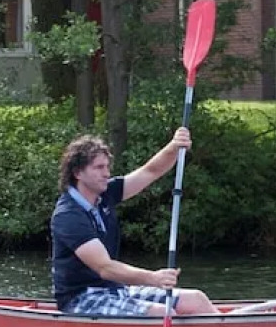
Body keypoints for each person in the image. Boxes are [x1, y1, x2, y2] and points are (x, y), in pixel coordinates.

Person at [51, 128, 219, 317]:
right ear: (77, 173)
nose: (107, 173)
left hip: (115, 290)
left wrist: (173, 147)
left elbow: (150, 171)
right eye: (99, 167)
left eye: (107, 166)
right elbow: (105, 268)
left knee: (196, 299)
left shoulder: (105, 194)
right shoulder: (68, 216)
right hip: (81, 298)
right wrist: (153, 278)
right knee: (163, 313)